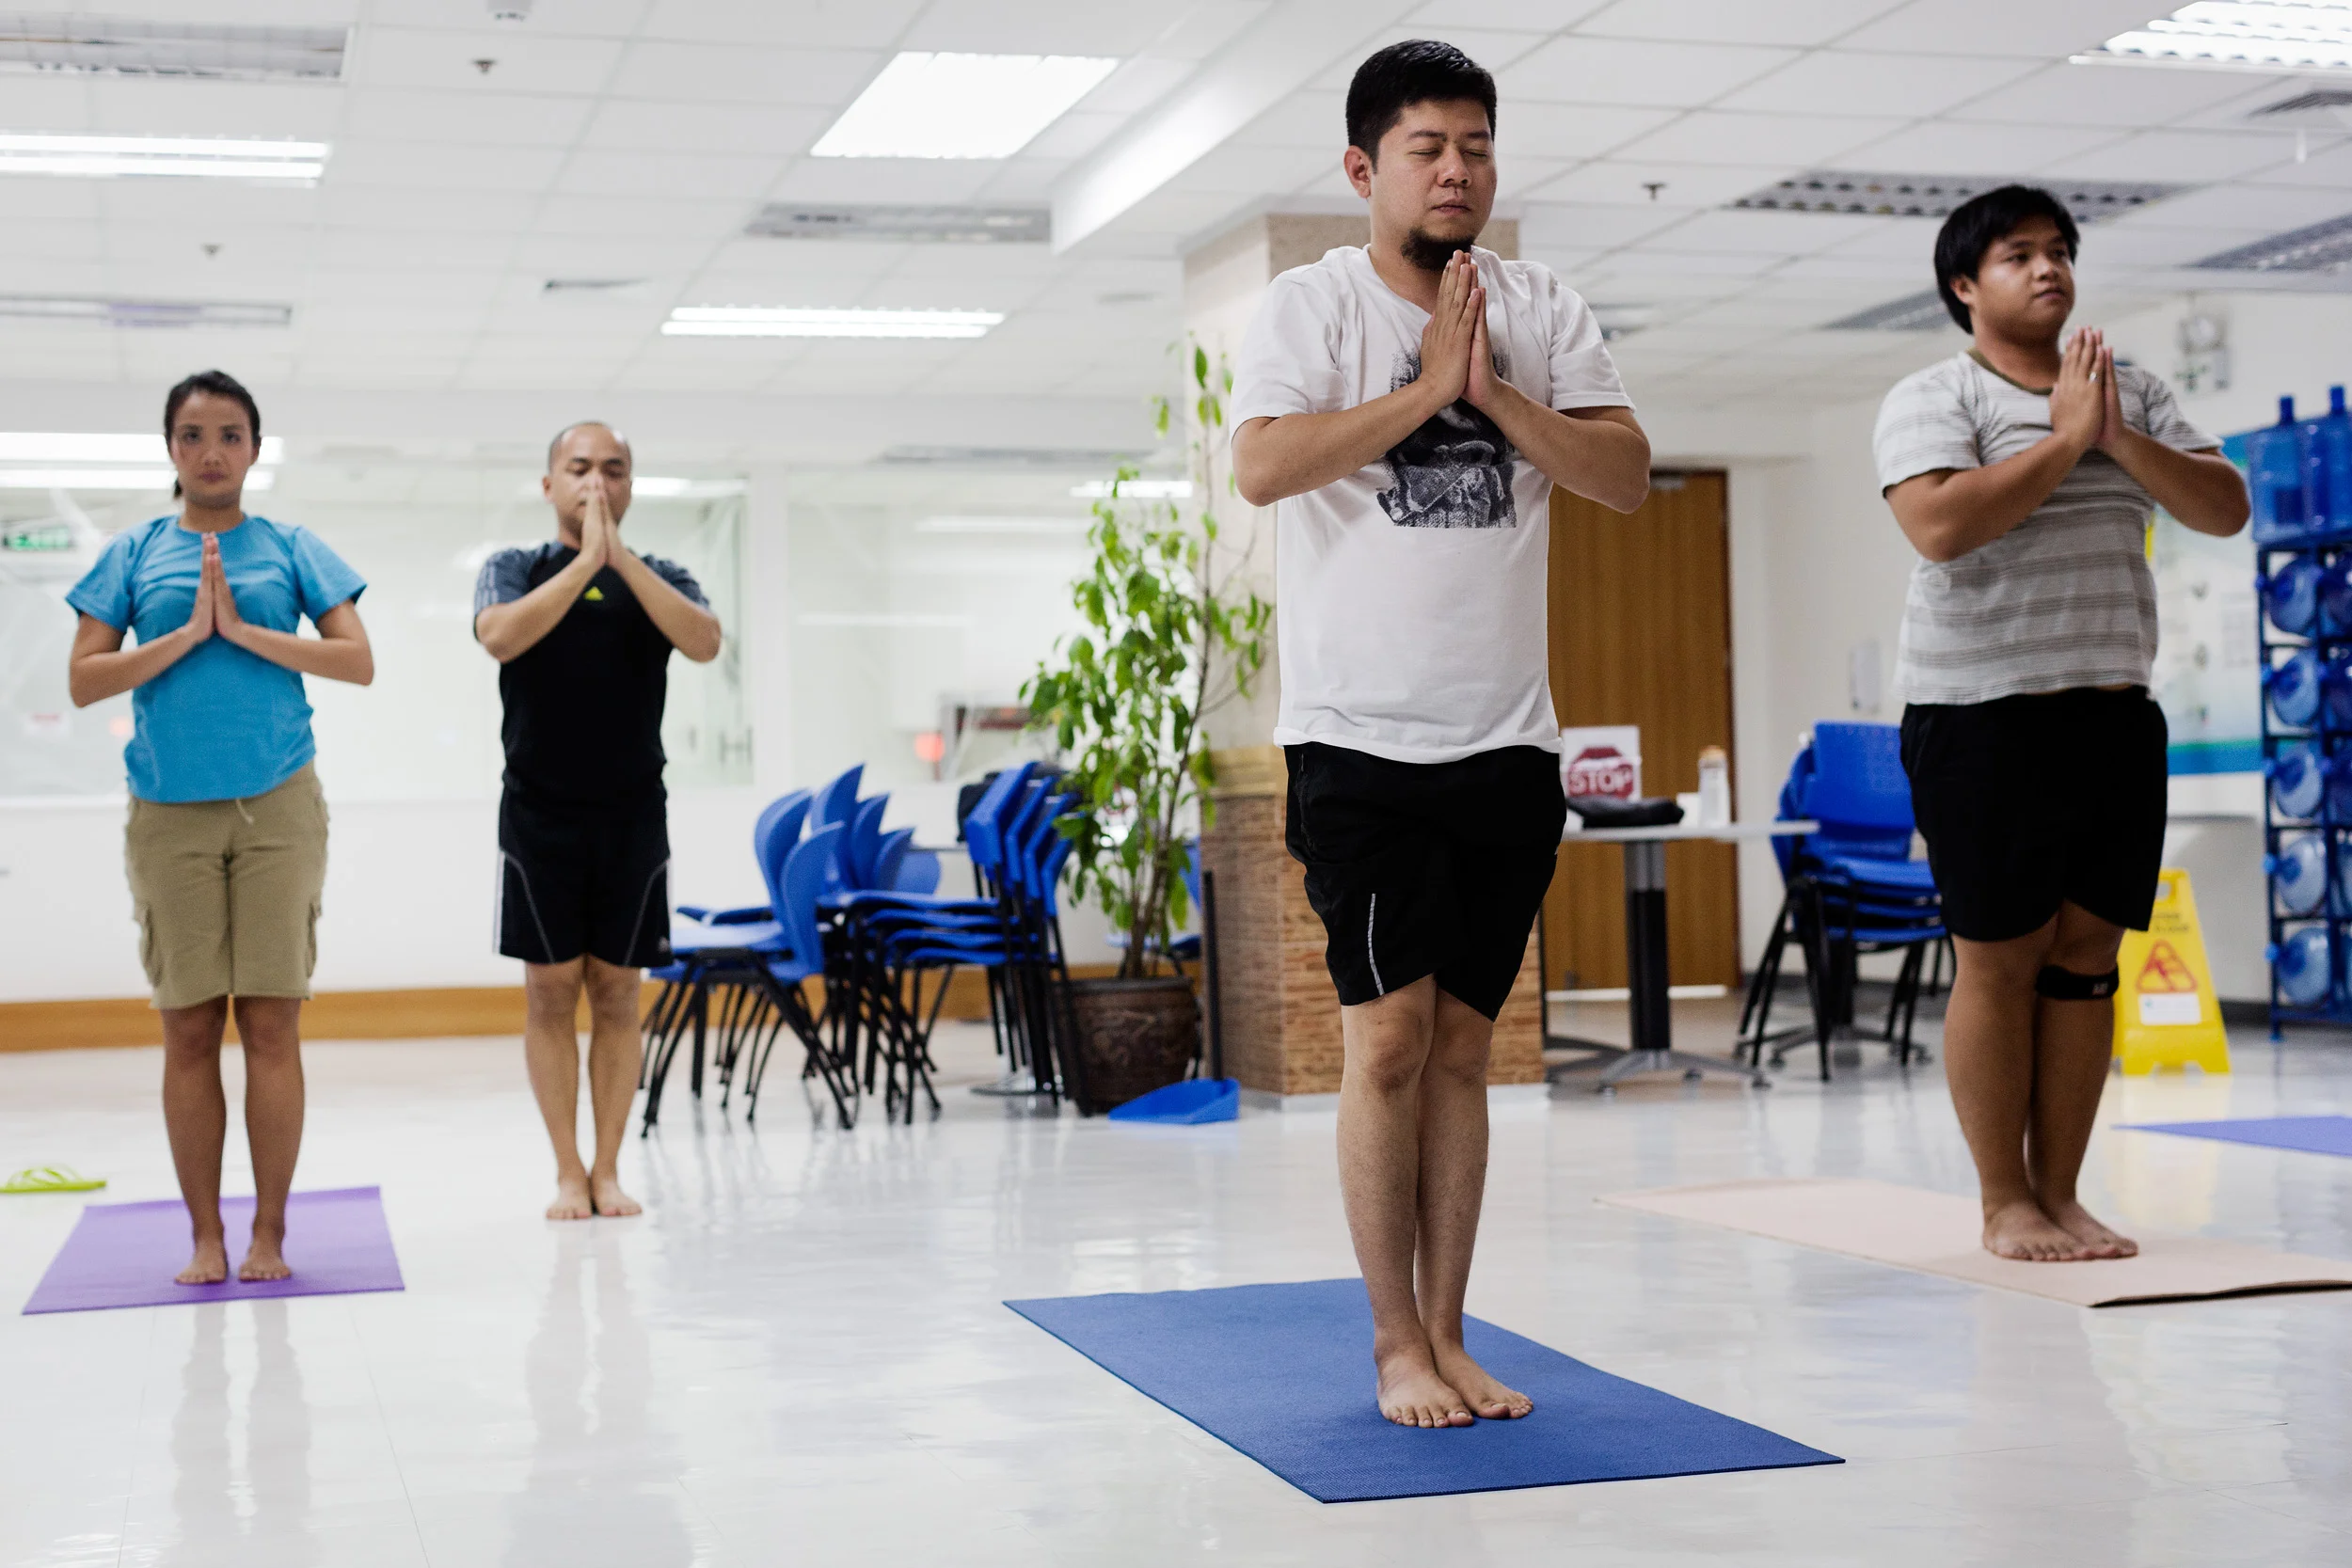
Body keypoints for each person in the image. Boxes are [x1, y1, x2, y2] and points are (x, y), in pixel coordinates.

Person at [1229, 41, 1649, 1428]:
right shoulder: (1311, 303)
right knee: (1390, 1036)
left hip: (1507, 742)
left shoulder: (1545, 306)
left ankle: (1456, 1330)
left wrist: (1492, 391)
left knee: (1468, 1042)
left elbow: (1629, 475)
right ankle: (1393, 1341)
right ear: (1364, 168)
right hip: (1356, 740)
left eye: (1475, 143)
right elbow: (1264, 465)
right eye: (1427, 146)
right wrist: (1421, 390)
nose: (1456, 167)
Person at [1875, 186, 2248, 1262]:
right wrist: (2064, 443)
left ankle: (2061, 1191)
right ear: (1964, 286)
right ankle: (2003, 1201)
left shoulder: (2130, 391)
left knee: (2086, 957)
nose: (2047, 270)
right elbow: (1940, 525)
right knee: (1999, 955)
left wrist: (2117, 438)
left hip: (2113, 711)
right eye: (2017, 256)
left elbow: (2221, 506)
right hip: (1980, 714)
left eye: (2058, 252)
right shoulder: (1931, 394)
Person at [65, 370, 373, 1286]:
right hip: (169, 814)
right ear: (171, 447)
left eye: (231, 434)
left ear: (253, 448)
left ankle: (270, 1231)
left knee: (271, 1023)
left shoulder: (289, 545)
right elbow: (85, 679)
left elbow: (357, 660)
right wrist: (182, 636)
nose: (212, 451)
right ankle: (205, 1235)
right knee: (190, 1027)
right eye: (194, 434)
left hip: (277, 803)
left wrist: (243, 630)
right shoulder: (134, 553)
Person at [473, 422, 722, 1221]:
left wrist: (619, 562)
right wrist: (585, 562)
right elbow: (500, 636)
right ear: (549, 484)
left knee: (617, 991)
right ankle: (565, 1170)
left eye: (613, 471)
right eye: (578, 468)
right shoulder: (513, 569)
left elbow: (705, 640)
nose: (596, 484)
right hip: (538, 817)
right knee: (549, 991)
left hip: (631, 818)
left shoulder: (663, 575)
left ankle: (608, 1168)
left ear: (630, 486)